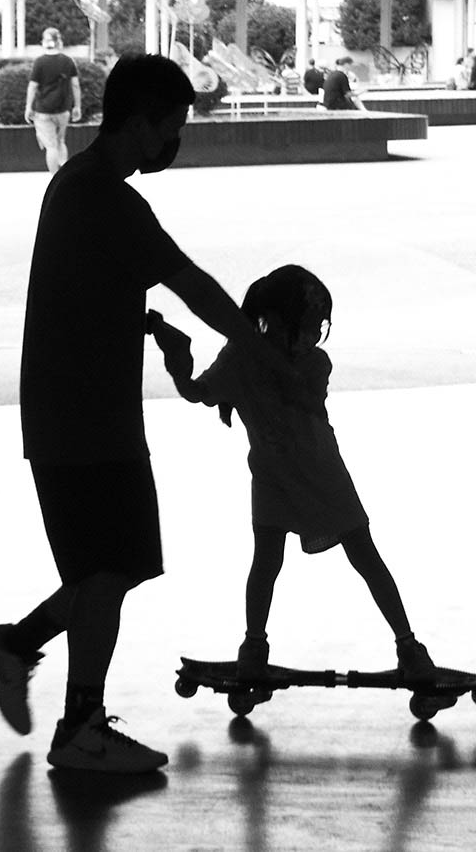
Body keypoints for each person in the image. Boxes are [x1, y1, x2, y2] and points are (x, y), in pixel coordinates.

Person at [0, 54, 303, 775]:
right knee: (106, 571)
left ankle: (17, 645)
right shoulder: (106, 197)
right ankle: (79, 724)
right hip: (83, 417)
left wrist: (141, 325)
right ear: (143, 121)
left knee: (114, 566)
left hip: (84, 412)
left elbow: (90, 292)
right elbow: (195, 283)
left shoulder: (80, 186)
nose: (173, 143)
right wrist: (264, 352)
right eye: (172, 126)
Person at [146, 265, 438, 684]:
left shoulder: (311, 363)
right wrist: (176, 358)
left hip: (322, 474)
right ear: (285, 319)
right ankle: (254, 647)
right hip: (277, 476)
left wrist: (250, 350)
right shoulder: (241, 357)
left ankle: (408, 645)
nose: (315, 333)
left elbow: (295, 387)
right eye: (310, 323)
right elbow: (198, 392)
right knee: (268, 562)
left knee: (362, 556)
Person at [26, 28, 82, 173]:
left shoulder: (39, 62)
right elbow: (75, 85)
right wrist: (77, 106)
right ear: (58, 42)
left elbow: (32, 86)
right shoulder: (68, 61)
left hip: (43, 110)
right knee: (61, 141)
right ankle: (65, 175)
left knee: (51, 146)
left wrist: (28, 107)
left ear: (44, 42)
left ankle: (55, 179)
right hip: (63, 110)